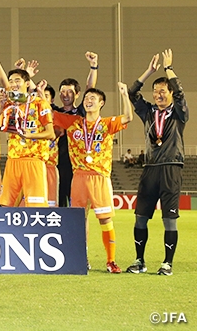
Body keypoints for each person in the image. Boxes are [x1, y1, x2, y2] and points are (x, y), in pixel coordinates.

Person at [54, 83, 133, 273]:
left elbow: (128, 117)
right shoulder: (73, 122)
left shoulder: (107, 124)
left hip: (99, 176)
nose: (88, 101)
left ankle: (111, 261)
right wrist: (37, 91)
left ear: (101, 103)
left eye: (93, 98)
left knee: (105, 219)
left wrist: (125, 95)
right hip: (79, 176)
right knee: (79, 219)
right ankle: (81, 258)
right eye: (87, 98)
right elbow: (48, 113)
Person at [126, 50, 188, 276]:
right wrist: (149, 72)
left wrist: (168, 69)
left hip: (171, 168)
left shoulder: (179, 113)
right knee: (140, 218)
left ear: (170, 93)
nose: (158, 95)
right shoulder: (148, 112)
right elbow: (132, 93)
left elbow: (180, 94)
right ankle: (139, 261)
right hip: (150, 169)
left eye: (163, 91)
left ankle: (167, 263)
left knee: (169, 219)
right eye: (155, 91)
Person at [0, 69, 55, 207]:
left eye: (17, 80)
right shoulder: (10, 105)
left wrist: (31, 135)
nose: (13, 84)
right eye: (11, 81)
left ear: (27, 83)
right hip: (13, 160)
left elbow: (51, 134)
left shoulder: (40, 103)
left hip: (34, 160)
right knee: (5, 206)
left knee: (35, 207)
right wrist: (0, 108)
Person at [54, 52, 99, 207]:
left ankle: (81, 223)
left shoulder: (80, 111)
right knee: (60, 203)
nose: (65, 95)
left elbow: (90, 88)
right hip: (57, 163)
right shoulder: (55, 112)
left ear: (78, 94)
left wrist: (93, 66)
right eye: (62, 91)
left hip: (77, 165)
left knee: (78, 205)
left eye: (70, 92)